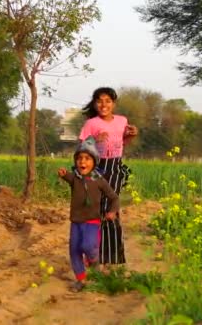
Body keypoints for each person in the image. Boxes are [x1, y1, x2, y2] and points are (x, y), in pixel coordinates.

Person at [79, 87, 138, 266]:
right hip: (97, 167)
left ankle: (110, 258)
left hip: (114, 167)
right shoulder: (91, 124)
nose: (103, 104)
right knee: (98, 209)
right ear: (95, 104)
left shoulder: (122, 121)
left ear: (114, 103)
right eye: (99, 101)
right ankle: (95, 255)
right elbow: (82, 150)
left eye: (107, 101)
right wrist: (95, 141)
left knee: (110, 208)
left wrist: (131, 135)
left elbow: (122, 143)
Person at [58, 136, 120, 291]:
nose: (82, 162)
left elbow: (114, 198)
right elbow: (67, 176)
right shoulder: (75, 178)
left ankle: (94, 260)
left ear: (94, 161)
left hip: (92, 221)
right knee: (74, 250)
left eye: (87, 158)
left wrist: (112, 211)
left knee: (87, 246)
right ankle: (81, 280)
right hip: (76, 222)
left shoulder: (98, 179)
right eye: (79, 158)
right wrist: (63, 173)